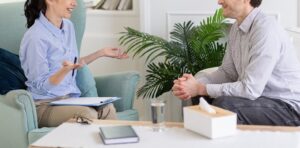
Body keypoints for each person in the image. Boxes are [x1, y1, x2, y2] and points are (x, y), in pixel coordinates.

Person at [172, 0, 300, 126]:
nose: (219, 2)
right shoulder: (236, 28)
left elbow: (250, 89)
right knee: (200, 98)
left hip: (288, 107)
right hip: (260, 99)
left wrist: (201, 88)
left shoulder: (265, 29)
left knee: (225, 105)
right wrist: (192, 84)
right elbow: (227, 73)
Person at [19, 0, 128, 127]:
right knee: (87, 115)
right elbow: (41, 86)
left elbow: (74, 64)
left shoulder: (68, 26)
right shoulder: (35, 37)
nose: (74, 3)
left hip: (69, 100)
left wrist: (101, 53)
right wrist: (63, 71)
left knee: (107, 108)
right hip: (44, 106)